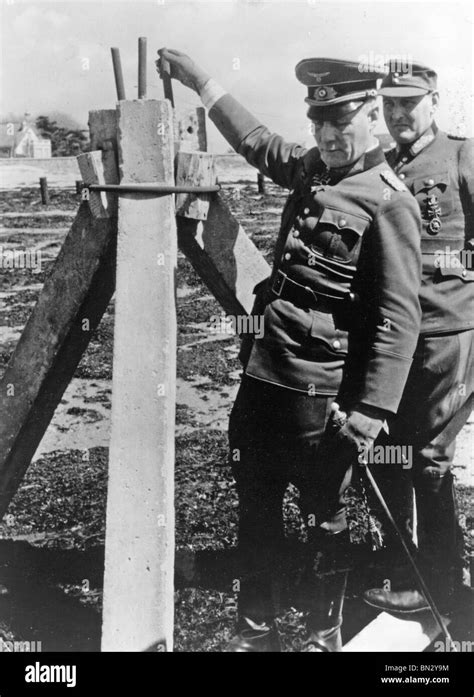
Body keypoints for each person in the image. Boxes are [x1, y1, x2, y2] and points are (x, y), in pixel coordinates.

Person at [157, 49, 422, 651]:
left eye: (341, 122)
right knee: (255, 504)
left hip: (321, 394)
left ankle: (322, 634)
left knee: (323, 516)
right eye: (318, 124)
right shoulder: (311, 169)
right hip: (264, 375)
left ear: (371, 114)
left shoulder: (389, 201)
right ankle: (255, 632)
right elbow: (255, 140)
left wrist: (372, 411)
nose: (328, 136)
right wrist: (202, 79)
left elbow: (398, 318)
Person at [362, 62, 474, 614]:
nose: (398, 115)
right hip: (390, 339)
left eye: (409, 103)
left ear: (434, 99)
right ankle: (403, 573)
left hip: (445, 335)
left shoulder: (460, 156)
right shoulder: (378, 162)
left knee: (429, 460)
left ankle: (444, 586)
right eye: (389, 106)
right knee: (387, 455)